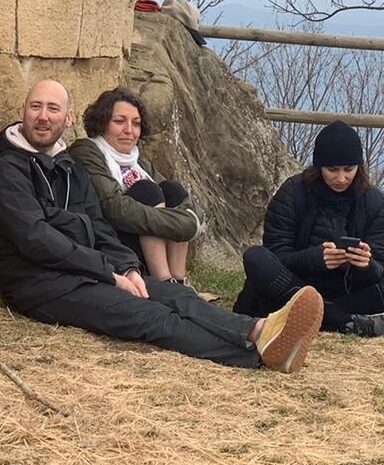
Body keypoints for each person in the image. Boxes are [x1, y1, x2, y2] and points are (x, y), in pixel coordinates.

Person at [0, 80, 321, 373]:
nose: (43, 116)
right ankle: (257, 357)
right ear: (22, 111)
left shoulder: (69, 167)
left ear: (67, 118)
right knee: (150, 316)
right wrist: (107, 273)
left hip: (86, 271)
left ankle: (259, 329)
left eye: (53, 109)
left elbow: (99, 227)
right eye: (36, 107)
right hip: (41, 283)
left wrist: (128, 268)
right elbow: (36, 238)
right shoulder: (9, 167)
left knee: (175, 296)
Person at [234, 120, 384, 338]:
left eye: (349, 170)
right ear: (319, 167)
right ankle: (343, 321)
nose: (341, 178)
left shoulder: (374, 201)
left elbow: (381, 268)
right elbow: (276, 253)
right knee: (255, 257)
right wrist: (315, 258)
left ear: (359, 167)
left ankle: (320, 316)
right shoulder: (293, 192)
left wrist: (365, 265)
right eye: (332, 170)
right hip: (295, 289)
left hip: (349, 294)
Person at [69, 87, 200, 283]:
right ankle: (162, 280)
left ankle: (179, 279)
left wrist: (189, 220)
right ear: (101, 123)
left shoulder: (138, 163)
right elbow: (113, 207)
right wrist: (186, 223)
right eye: (119, 121)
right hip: (110, 242)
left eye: (136, 124)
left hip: (138, 238)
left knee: (172, 189)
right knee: (146, 190)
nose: (129, 130)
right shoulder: (86, 151)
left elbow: (186, 204)